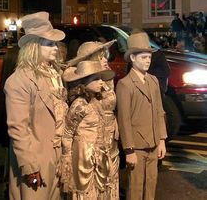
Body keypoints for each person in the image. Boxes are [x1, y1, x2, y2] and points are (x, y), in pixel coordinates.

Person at [4, 11, 68, 200]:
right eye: (49, 43)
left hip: (56, 155)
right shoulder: (19, 81)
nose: (55, 48)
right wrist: (30, 167)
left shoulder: (54, 76)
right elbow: (18, 129)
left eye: (54, 43)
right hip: (36, 160)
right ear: (34, 46)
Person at [65, 40, 119, 199]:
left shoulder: (106, 78)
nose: (105, 60)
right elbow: (71, 128)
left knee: (108, 182)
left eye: (105, 56)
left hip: (109, 139)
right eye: (100, 57)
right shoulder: (84, 90)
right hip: (88, 145)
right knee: (90, 185)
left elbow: (110, 106)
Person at [116, 31, 167, 200]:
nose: (147, 61)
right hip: (137, 146)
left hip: (153, 143)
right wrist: (129, 150)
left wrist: (161, 140)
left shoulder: (153, 80)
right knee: (136, 187)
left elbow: (160, 111)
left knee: (151, 184)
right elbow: (124, 120)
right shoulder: (125, 84)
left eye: (149, 57)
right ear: (132, 58)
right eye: (143, 57)